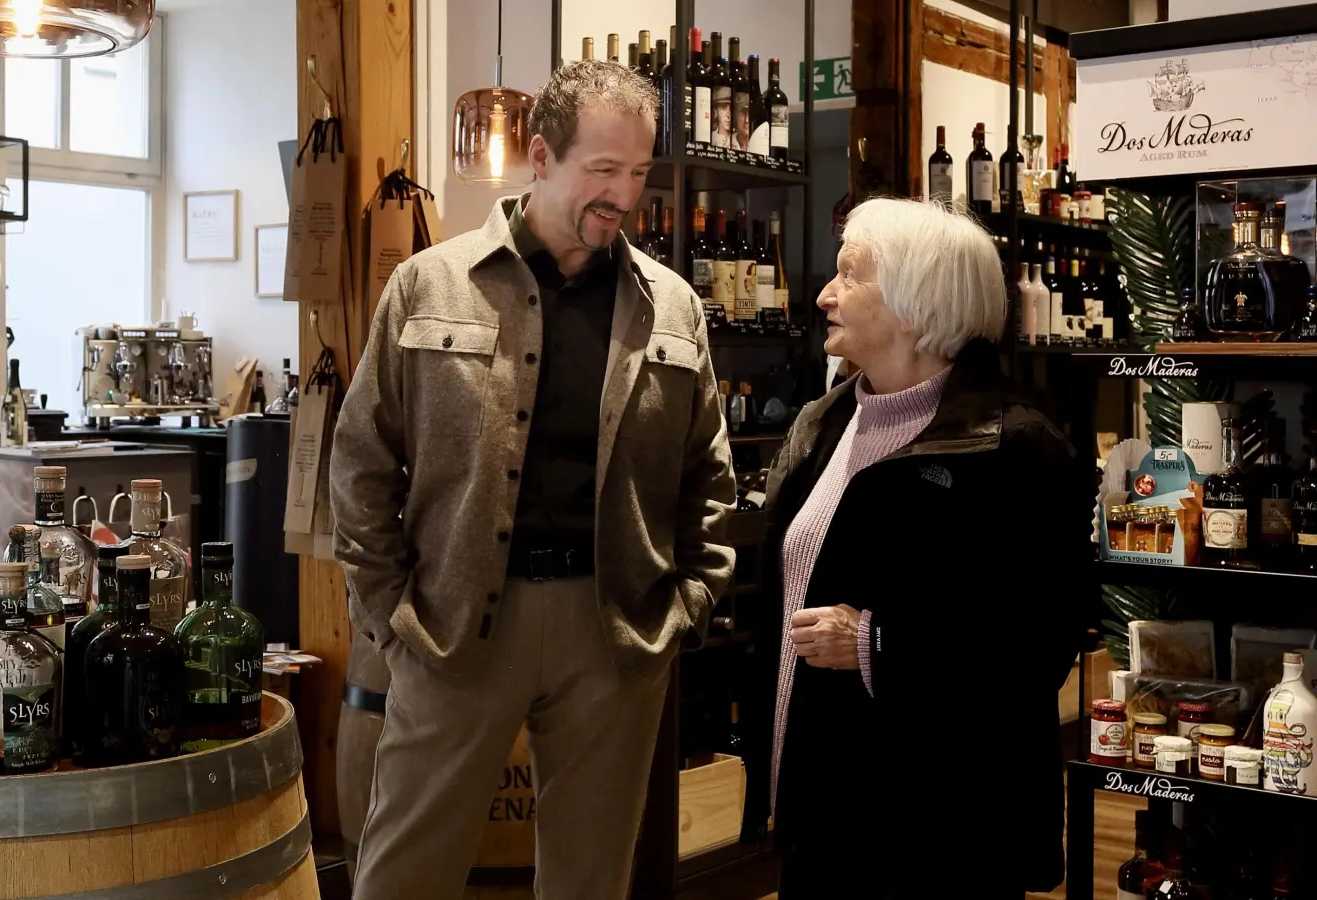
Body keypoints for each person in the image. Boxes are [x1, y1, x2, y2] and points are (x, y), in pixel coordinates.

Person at [330, 59, 736, 900]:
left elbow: (709, 473)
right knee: (403, 874)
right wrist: (388, 616)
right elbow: (362, 460)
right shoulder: (427, 285)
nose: (622, 196)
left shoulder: (671, 305)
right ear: (542, 156)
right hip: (452, 627)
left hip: (614, 631)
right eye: (601, 169)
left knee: (591, 880)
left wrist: (690, 603)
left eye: (637, 172)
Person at [740, 198, 1087, 898]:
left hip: (939, 831)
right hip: (821, 810)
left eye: (849, 275)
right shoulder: (823, 424)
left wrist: (877, 643)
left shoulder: (1012, 446)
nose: (824, 295)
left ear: (912, 303)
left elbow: (1039, 641)